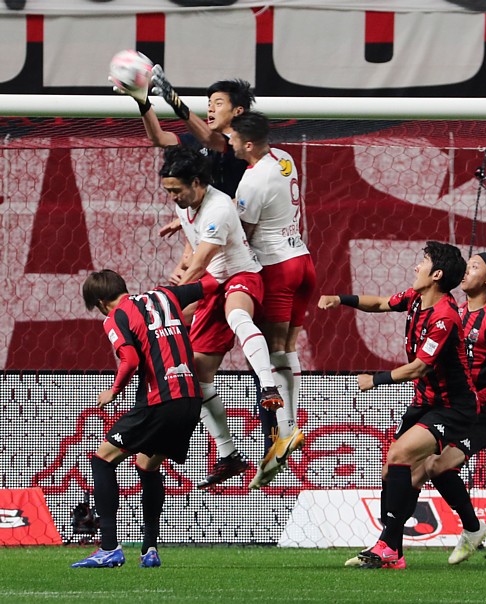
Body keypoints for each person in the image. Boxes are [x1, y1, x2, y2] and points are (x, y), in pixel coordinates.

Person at [318, 241, 478, 570]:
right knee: (391, 470)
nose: (416, 266)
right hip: (425, 402)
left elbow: (419, 368)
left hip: (454, 408)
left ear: (436, 274)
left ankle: (389, 546)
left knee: (400, 455)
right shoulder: (415, 298)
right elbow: (379, 303)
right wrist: (341, 299)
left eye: (423, 261)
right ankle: (392, 549)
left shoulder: (444, 317)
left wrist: (375, 380)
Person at [72, 269, 216, 568]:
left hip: (160, 400)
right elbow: (212, 285)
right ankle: (150, 549)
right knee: (147, 465)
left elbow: (131, 360)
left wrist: (113, 391)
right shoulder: (166, 294)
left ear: (100, 302)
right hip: (191, 399)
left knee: (102, 460)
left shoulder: (116, 316)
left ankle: (109, 547)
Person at [159, 145, 284, 490]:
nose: (172, 196)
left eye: (176, 190)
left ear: (197, 182)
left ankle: (268, 386)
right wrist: (181, 263)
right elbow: (194, 249)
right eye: (168, 190)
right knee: (197, 379)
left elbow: (200, 262)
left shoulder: (218, 208)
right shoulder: (187, 204)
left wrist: (168, 301)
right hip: (214, 285)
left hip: (241, 275)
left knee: (237, 314)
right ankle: (229, 455)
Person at [413, 252, 486, 565]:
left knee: (437, 466)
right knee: (412, 471)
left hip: (480, 416)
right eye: (467, 265)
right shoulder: (456, 312)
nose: (466, 271)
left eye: (474, 267)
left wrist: (479, 397)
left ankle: (472, 529)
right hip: (451, 408)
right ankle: (390, 544)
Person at [228, 111, 317, 489]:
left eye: (233, 138)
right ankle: (289, 427)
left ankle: (286, 430)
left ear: (248, 144)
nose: (229, 142)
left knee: (273, 350)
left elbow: (243, 234)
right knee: (288, 349)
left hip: (277, 267)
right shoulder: (284, 158)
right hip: (303, 261)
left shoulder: (251, 181)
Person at [110, 66, 253, 198]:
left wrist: (176, 103)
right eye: (209, 103)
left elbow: (210, 140)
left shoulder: (246, 143)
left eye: (218, 104)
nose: (211, 109)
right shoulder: (197, 140)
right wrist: (143, 103)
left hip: (238, 215)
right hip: (207, 214)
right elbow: (159, 138)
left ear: (238, 111)